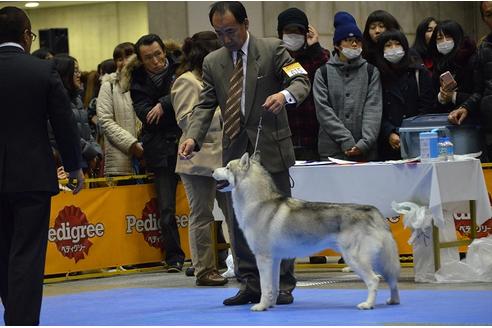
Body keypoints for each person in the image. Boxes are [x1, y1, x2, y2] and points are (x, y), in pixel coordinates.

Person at [178, 1, 310, 306]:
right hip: (235, 153)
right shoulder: (213, 62)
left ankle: (283, 285)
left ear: (246, 23)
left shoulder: (274, 49)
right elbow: (204, 105)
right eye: (219, 32)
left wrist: (284, 95)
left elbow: (301, 79)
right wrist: (192, 137)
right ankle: (251, 283)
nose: (226, 38)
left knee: (280, 222)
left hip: (272, 149)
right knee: (240, 222)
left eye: (231, 30)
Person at [0, 6, 84, 325]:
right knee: (27, 254)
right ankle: (21, 321)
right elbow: (64, 123)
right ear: (26, 36)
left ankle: (14, 313)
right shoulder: (41, 71)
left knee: (3, 254)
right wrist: (74, 167)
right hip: (32, 176)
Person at [171, 31, 229, 286]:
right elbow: (186, 120)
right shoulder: (186, 81)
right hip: (197, 159)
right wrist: (225, 112)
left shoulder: (219, 78)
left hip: (225, 159)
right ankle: (204, 269)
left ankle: (242, 265)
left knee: (233, 214)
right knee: (202, 215)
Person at [126, 33, 185, 272]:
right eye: (149, 58)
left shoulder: (181, 68)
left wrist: (163, 104)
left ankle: (216, 251)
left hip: (188, 142)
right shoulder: (137, 80)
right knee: (166, 208)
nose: (156, 61)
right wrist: (168, 104)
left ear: (165, 51)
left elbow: (188, 99)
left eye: (158, 54)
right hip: (159, 149)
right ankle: (174, 257)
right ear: (141, 60)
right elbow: (146, 117)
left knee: (204, 204)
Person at [313, 11, 382, 162]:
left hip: (365, 150)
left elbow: (373, 109)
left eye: (358, 40)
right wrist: (345, 140)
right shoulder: (323, 72)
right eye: (348, 40)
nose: (355, 44)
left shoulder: (371, 71)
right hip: (331, 151)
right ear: (337, 45)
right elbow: (323, 111)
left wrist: (365, 143)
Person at [276, 7, 330, 161]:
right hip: (283, 136)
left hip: (312, 136)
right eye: (288, 31)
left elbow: (328, 74)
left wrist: (315, 47)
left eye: (298, 31)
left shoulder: (317, 55)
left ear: (306, 33)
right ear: (280, 33)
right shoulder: (273, 57)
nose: (293, 35)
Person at [374, 29, 435, 160]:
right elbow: (375, 109)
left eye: (397, 44)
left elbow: (427, 108)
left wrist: (410, 132)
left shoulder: (419, 72)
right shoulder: (377, 75)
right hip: (388, 144)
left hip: (417, 140)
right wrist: (389, 132)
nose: (393, 49)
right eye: (388, 45)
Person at [96, 42, 143, 178]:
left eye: (128, 57)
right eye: (119, 59)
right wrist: (132, 145)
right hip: (120, 162)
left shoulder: (145, 83)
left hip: (147, 159)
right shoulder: (108, 86)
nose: (124, 62)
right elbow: (106, 121)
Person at [52, 55, 103, 176]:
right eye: (75, 71)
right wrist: (91, 153)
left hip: (84, 162)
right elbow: (67, 133)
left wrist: (96, 152)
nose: (79, 74)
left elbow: (87, 132)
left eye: (78, 70)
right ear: (64, 73)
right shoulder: (55, 101)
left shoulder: (77, 99)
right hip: (66, 166)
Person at [428, 20, 478, 125]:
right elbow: (430, 102)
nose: (444, 42)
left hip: (471, 123)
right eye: (439, 38)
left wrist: (454, 96)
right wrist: (441, 97)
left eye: (448, 36)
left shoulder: (472, 59)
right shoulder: (439, 65)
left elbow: (480, 94)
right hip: (446, 123)